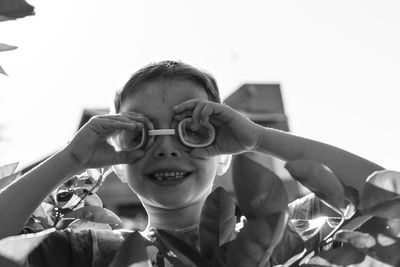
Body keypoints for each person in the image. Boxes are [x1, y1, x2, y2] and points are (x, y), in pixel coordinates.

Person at [0, 61, 383, 266]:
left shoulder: (275, 233)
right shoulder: (91, 251)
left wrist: (260, 137)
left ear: (222, 158)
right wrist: (71, 158)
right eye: (141, 134)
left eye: (192, 132)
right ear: (117, 165)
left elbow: (379, 191)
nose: (167, 150)